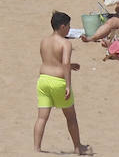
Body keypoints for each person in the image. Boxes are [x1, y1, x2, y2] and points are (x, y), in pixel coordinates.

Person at [34, 11, 91, 155]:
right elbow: (64, 62)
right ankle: (78, 148)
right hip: (58, 82)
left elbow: (51, 61)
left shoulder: (44, 41)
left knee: (41, 117)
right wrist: (67, 84)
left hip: (43, 80)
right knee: (71, 117)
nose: (69, 29)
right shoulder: (66, 43)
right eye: (69, 26)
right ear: (62, 26)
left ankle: (36, 149)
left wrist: (71, 65)